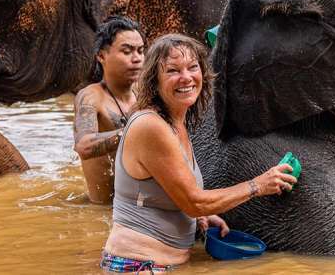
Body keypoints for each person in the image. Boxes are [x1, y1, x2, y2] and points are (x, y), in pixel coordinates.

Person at [100, 34, 296, 272]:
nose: (186, 78)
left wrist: (196, 219)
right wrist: (257, 185)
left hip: (162, 265)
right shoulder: (151, 126)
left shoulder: (176, 122)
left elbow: (177, 195)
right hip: (138, 266)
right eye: (173, 70)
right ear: (154, 81)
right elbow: (194, 201)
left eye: (193, 67)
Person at [74, 16, 145, 204]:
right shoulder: (90, 97)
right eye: (127, 51)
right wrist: (134, 131)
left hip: (138, 207)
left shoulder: (143, 93)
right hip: (103, 211)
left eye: (140, 50)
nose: (137, 58)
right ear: (101, 56)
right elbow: (84, 146)